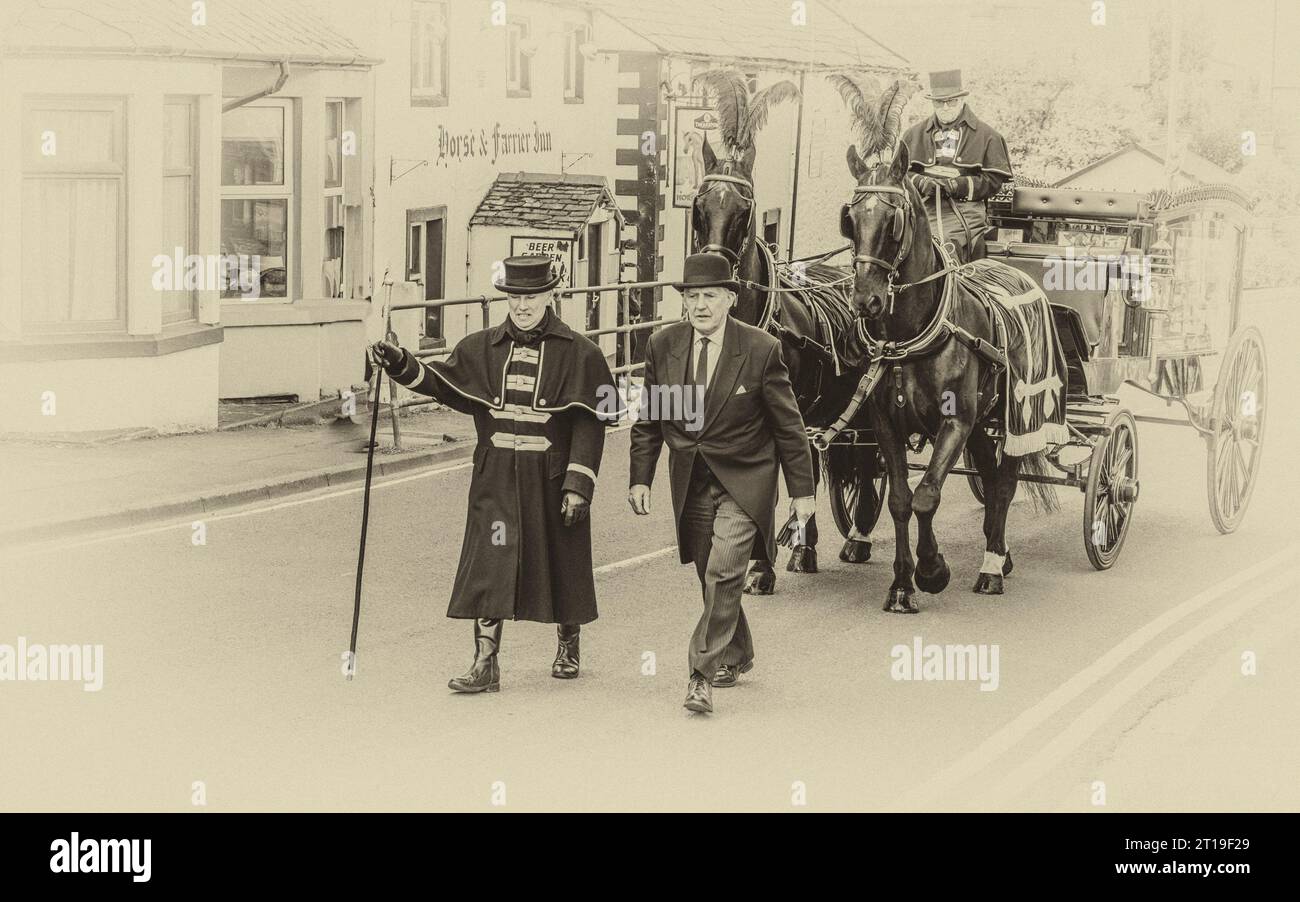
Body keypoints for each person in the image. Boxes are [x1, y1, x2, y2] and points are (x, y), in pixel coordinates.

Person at [370, 256, 617, 693]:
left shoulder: (583, 354)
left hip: (553, 476)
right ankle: (486, 662)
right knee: (490, 562)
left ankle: (568, 643)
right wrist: (400, 363)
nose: (522, 306)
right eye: (515, 297)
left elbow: (590, 422)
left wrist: (579, 483)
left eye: (532, 296)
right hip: (496, 479)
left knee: (564, 560)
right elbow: (443, 383)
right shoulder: (481, 347)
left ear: (550, 295)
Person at [628, 253, 815, 715]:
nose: (701, 306)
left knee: (725, 569)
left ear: (731, 299)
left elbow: (788, 427)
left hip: (745, 480)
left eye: (710, 296)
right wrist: (641, 477)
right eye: (692, 297)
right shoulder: (662, 345)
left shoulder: (760, 349)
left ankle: (700, 675)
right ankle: (738, 651)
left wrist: (802, 492)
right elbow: (649, 419)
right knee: (710, 573)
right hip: (691, 480)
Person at [899, 69, 1013, 262]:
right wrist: (920, 182)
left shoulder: (988, 136)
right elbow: (901, 174)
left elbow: (993, 181)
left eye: (951, 101)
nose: (945, 107)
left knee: (943, 246)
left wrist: (956, 186)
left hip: (964, 212)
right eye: (939, 102)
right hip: (922, 208)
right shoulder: (913, 134)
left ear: (961, 100)